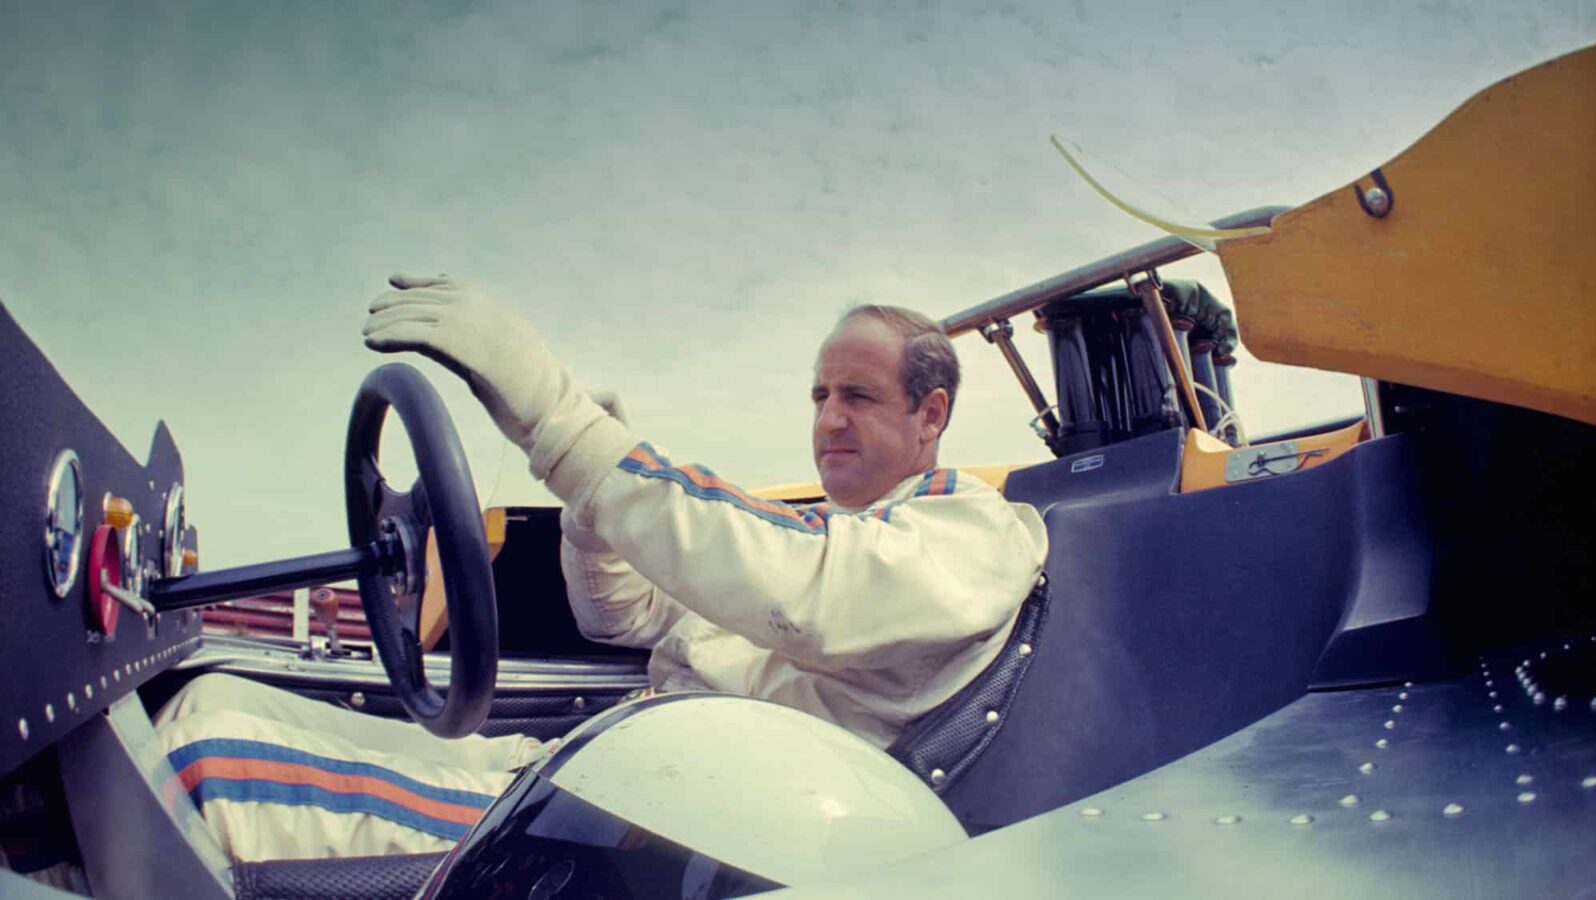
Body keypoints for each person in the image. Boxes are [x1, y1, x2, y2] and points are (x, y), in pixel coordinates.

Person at [154, 275, 1047, 862]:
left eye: (857, 396)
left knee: (204, 767)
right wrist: (594, 522)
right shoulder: (826, 536)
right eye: (820, 395)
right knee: (210, 698)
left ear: (931, 415)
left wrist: (564, 426)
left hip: (679, 838)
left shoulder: (968, 532)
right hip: (605, 776)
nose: (828, 421)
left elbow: (802, 591)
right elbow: (622, 620)